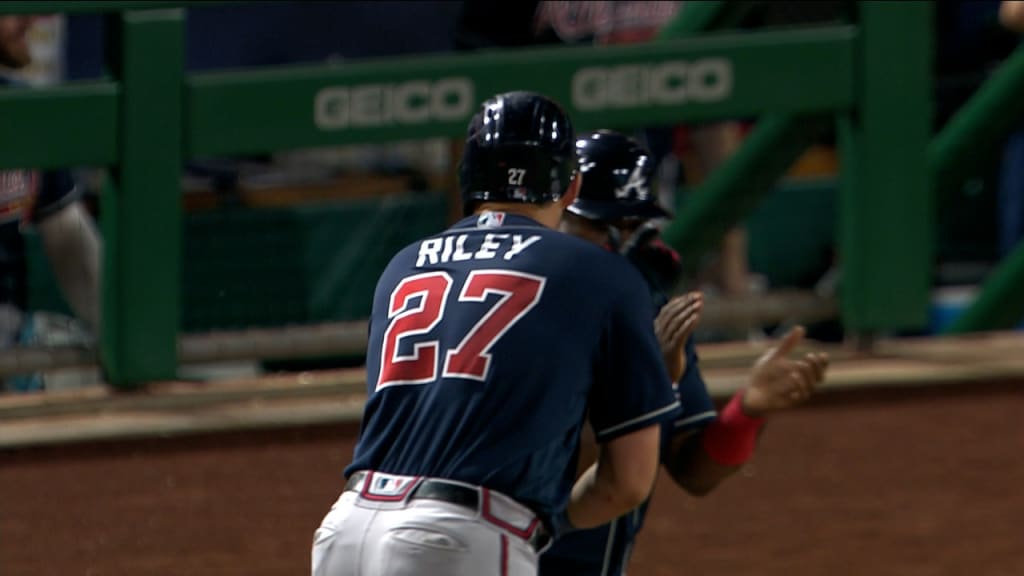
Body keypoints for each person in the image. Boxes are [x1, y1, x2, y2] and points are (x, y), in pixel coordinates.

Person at [311, 93, 682, 576]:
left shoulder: (402, 266)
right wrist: (553, 522)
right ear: (571, 187)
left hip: (345, 532)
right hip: (461, 539)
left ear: (468, 176)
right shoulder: (602, 274)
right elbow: (627, 483)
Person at [544, 130, 830, 575]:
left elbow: (694, 471)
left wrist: (748, 409)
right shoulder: (527, 320)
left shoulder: (649, 318)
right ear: (552, 217)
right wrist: (646, 384)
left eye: (630, 227)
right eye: (600, 226)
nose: (620, 244)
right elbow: (562, 475)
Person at [0, 15, 102, 392]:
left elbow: (76, 254)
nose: (28, 18)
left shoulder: (25, 110)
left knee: (74, 366)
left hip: (9, 340)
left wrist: (129, 352)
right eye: (9, 9)